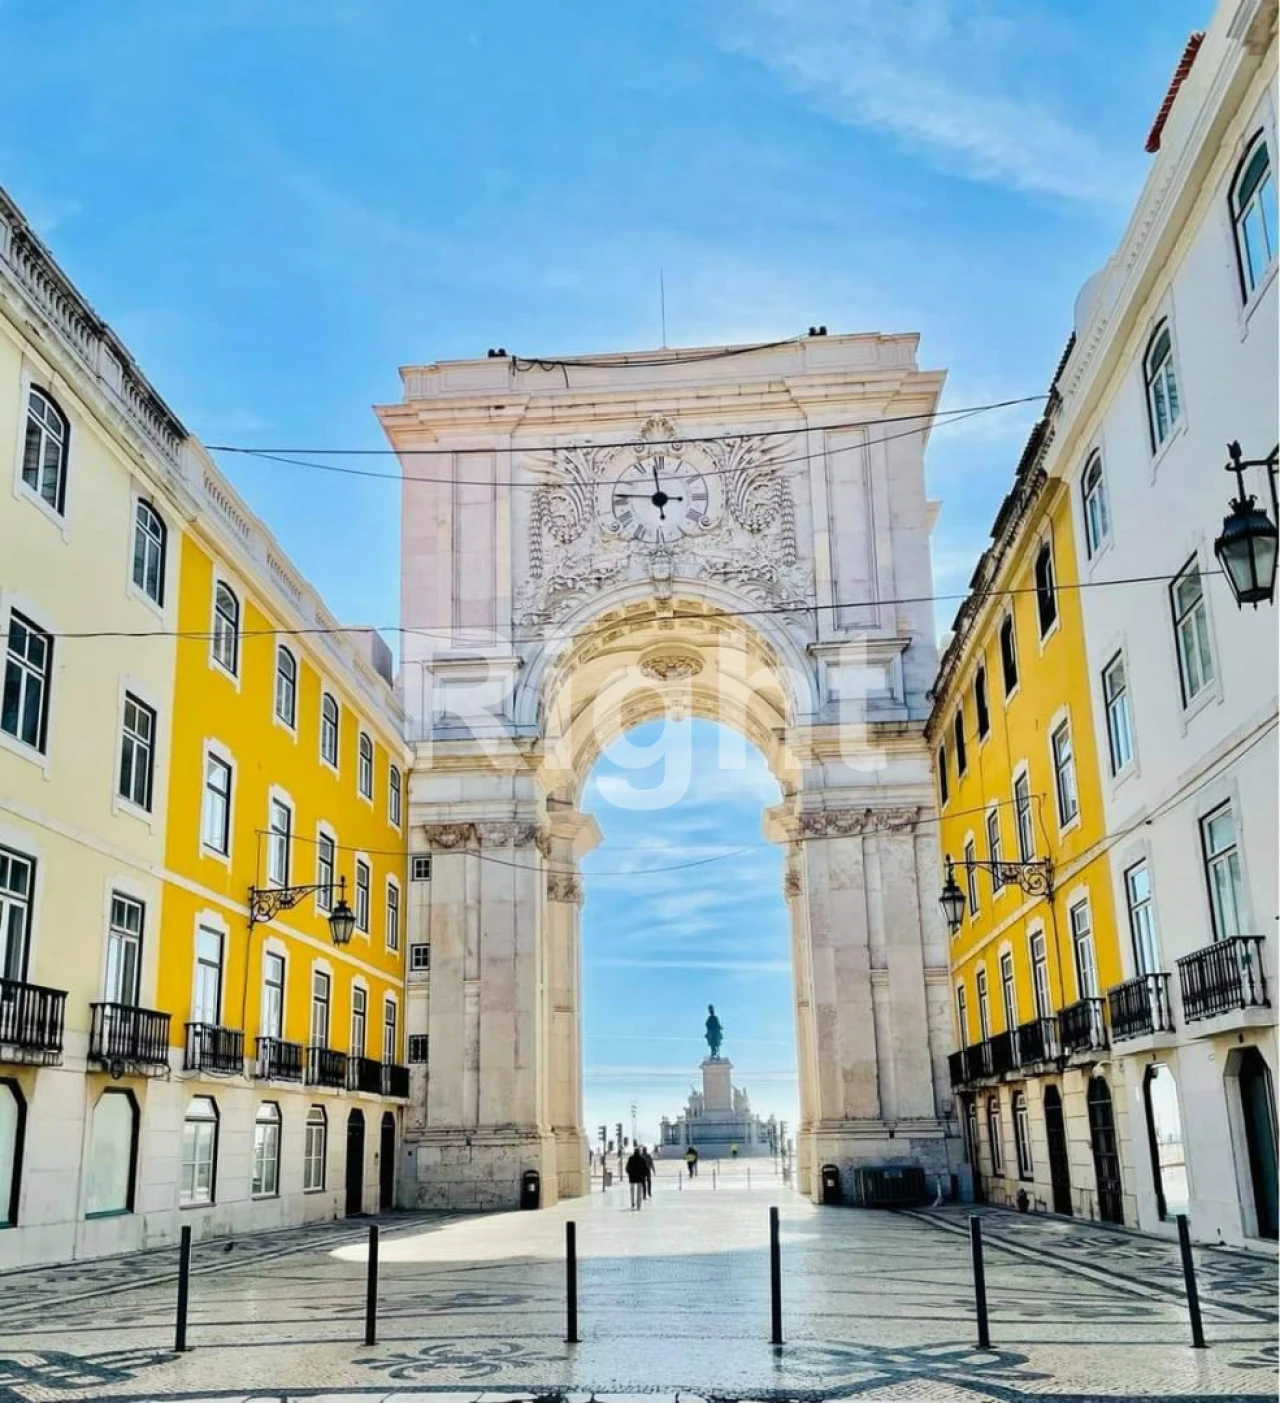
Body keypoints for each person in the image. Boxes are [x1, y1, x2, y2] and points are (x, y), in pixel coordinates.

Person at [625, 1145, 647, 1210]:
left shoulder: (631, 1158)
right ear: (639, 1152)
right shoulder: (642, 1159)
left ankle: (632, 1203)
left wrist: (629, 1173)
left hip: (632, 1177)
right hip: (640, 1177)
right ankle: (638, 1204)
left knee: (632, 1190)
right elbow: (645, 1168)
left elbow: (627, 1168)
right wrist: (644, 1175)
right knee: (639, 1191)